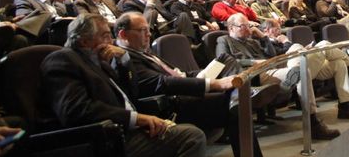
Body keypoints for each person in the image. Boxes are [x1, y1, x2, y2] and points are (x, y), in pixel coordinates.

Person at [40, 14, 206, 157]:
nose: (111, 41)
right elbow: (76, 110)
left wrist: (124, 62)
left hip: (127, 128)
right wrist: (136, 119)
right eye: (105, 36)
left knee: (190, 130)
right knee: (191, 136)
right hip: (105, 137)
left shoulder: (100, 62)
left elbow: (131, 93)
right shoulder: (63, 59)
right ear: (85, 41)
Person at [115, 12, 277, 157]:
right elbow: (162, 83)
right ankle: (241, 95)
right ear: (123, 34)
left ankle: (240, 94)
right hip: (173, 102)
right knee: (234, 107)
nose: (149, 33)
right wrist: (213, 84)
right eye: (142, 30)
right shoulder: (127, 58)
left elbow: (177, 74)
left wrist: (200, 75)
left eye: (147, 29)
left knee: (225, 60)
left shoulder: (144, 53)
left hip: (186, 85)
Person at [215, 13, 341, 140]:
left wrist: (263, 36)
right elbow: (224, 61)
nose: (248, 29)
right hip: (254, 74)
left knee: (299, 60)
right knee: (302, 71)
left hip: (271, 67)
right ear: (231, 28)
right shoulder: (223, 40)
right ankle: (313, 124)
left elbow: (271, 54)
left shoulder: (252, 41)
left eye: (249, 25)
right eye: (244, 26)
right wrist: (253, 62)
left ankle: (286, 85)